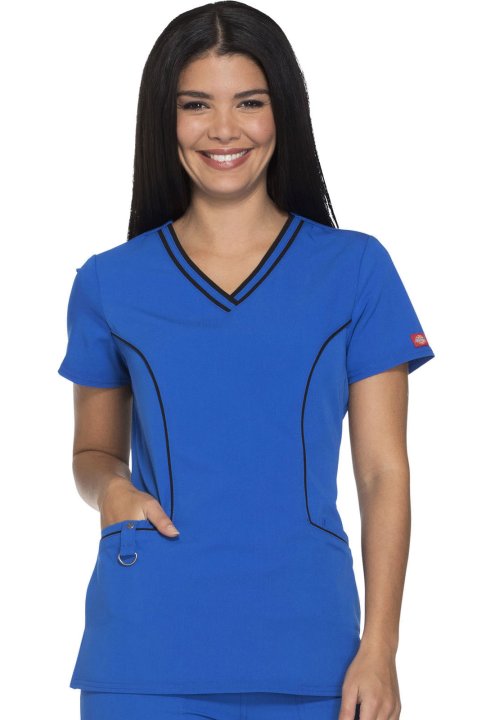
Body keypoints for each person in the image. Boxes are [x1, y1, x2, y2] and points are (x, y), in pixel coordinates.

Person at [57, 3, 435, 720]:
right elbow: (93, 452)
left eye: (250, 103)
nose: (224, 129)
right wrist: (112, 490)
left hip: (313, 651)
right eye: (196, 104)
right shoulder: (109, 281)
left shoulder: (355, 269)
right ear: (164, 119)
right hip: (143, 653)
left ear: (282, 113)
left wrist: (380, 646)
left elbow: (382, 472)